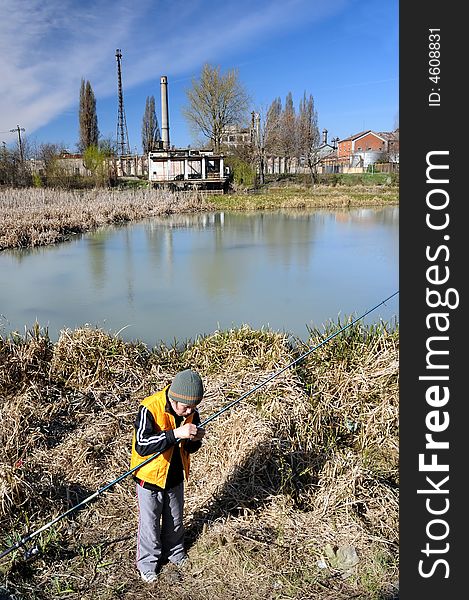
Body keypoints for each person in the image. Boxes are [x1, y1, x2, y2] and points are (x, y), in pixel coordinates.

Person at [130, 368, 206, 583]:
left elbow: (190, 450)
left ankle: (175, 553)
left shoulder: (191, 412)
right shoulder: (149, 408)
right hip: (149, 479)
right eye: (186, 406)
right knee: (150, 524)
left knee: (175, 520)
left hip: (175, 477)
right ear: (174, 398)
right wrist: (176, 434)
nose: (190, 410)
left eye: (194, 406)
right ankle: (147, 564)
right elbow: (142, 445)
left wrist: (195, 439)